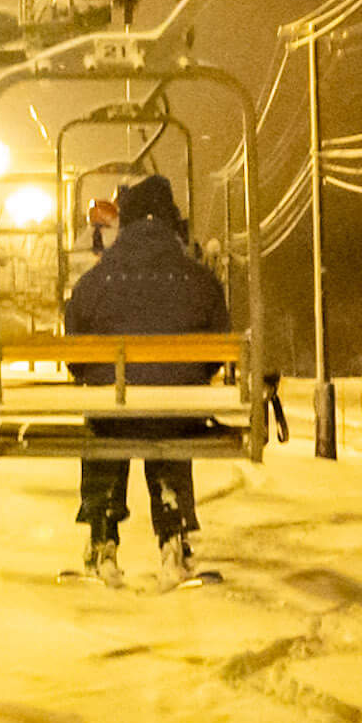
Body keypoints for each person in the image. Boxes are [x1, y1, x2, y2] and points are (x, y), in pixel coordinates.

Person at [63, 171, 231, 586]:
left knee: (106, 420)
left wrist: (96, 376)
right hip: (175, 408)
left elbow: (75, 345)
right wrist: (188, 376)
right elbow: (217, 342)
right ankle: (172, 541)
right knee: (170, 419)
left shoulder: (94, 282)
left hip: (113, 411)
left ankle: (103, 542)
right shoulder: (199, 278)